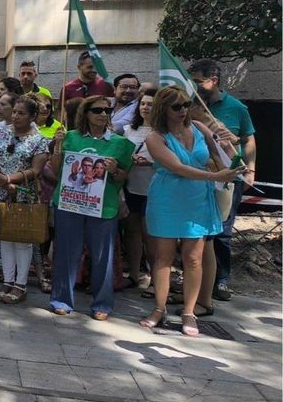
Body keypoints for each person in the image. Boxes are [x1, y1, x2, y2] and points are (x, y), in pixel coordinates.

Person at [139, 86, 244, 336]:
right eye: (176, 106)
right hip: (168, 198)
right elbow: (177, 168)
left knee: (194, 258)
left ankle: (189, 311)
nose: (183, 110)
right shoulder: (154, 137)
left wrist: (230, 144)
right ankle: (159, 307)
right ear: (163, 108)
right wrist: (215, 175)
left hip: (198, 199)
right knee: (163, 257)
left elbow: (227, 155)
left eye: (186, 104)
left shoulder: (199, 127)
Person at [48, 95, 134, 320]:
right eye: (97, 110)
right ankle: (62, 299)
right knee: (66, 252)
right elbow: (57, 171)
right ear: (86, 113)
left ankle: (102, 304)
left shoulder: (120, 143)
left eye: (107, 110)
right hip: (69, 203)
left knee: (102, 256)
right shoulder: (69, 137)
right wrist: (57, 146)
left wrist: (115, 170)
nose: (103, 114)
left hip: (104, 206)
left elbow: (123, 178)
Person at [189, 59, 257, 302]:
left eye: (197, 81)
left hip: (228, 177)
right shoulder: (190, 105)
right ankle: (196, 282)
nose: (193, 86)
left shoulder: (236, 107)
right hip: (198, 177)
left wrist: (250, 169)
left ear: (213, 80)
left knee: (222, 232)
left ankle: (221, 280)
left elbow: (248, 139)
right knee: (197, 232)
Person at [0, 95, 49, 304]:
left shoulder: (38, 139)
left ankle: (21, 284)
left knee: (22, 240)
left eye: (21, 113)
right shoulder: (0, 131)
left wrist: (11, 179)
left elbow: (36, 169)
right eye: (14, 112)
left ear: (32, 116)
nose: (15, 116)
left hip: (23, 193)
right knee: (5, 237)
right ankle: (8, 279)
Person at [122, 89, 157, 291]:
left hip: (152, 190)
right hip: (131, 187)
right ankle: (134, 274)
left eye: (150, 104)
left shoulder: (163, 132)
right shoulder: (129, 130)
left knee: (150, 236)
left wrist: (149, 163)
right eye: (143, 103)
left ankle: (154, 277)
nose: (145, 107)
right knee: (132, 233)